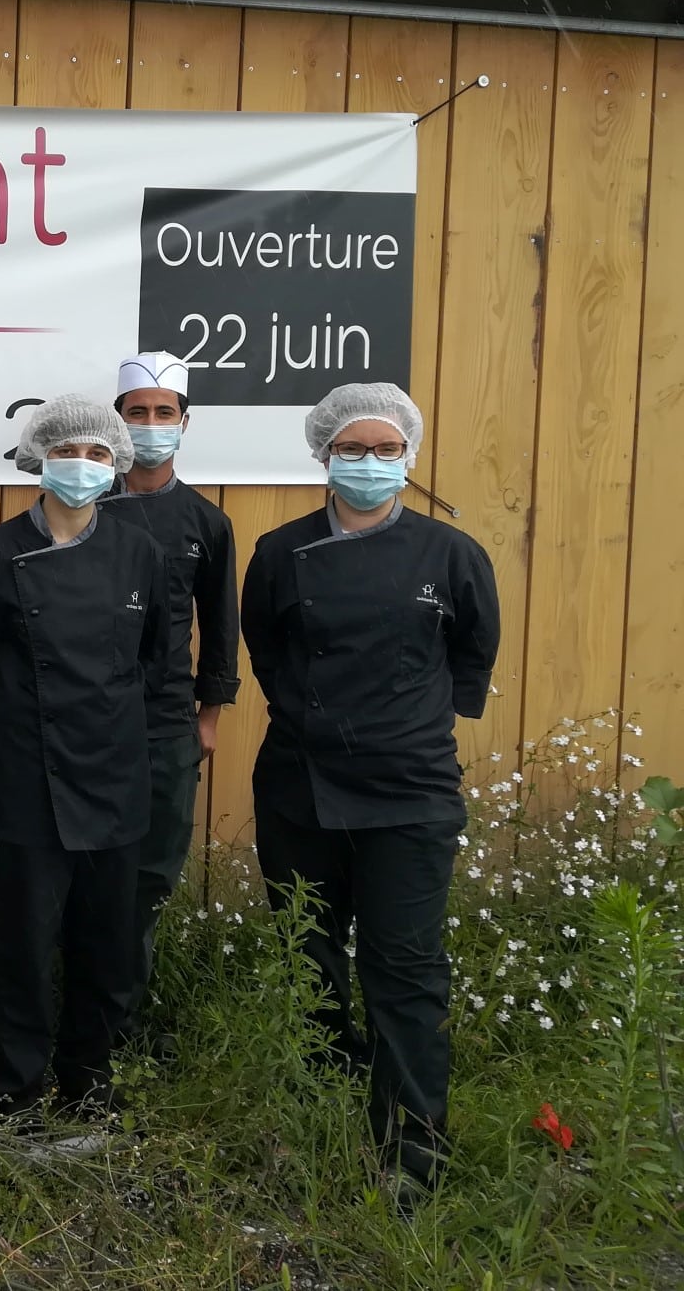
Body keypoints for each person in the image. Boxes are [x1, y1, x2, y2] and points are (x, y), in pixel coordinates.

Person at [242, 382, 498, 1206]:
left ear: (409, 458)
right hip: (300, 787)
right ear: (323, 454)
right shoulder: (280, 553)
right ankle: (319, 1103)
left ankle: (413, 1153)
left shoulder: (453, 555)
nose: (369, 463)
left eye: (386, 450)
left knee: (406, 968)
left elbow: (472, 657)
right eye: (352, 449)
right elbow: (267, 650)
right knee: (309, 957)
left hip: (411, 792)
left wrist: (403, 721)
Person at [0, 395, 168, 1121]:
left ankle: (89, 1078)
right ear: (40, 458)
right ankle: (15, 1084)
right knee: (23, 946)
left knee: (105, 944)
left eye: (99, 455)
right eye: (68, 452)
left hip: (116, 777)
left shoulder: (141, 553)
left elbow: (156, 660)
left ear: (116, 466)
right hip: (24, 780)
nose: (82, 465)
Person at [98, 353, 239, 1055]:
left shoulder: (204, 523)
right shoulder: (84, 505)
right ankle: (76, 1015)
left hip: (167, 725)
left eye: (163, 414)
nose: (150, 426)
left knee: (148, 876)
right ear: (117, 420)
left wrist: (208, 717)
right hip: (89, 722)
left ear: (185, 424)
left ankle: (120, 1027)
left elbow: (220, 627)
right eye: (136, 412)